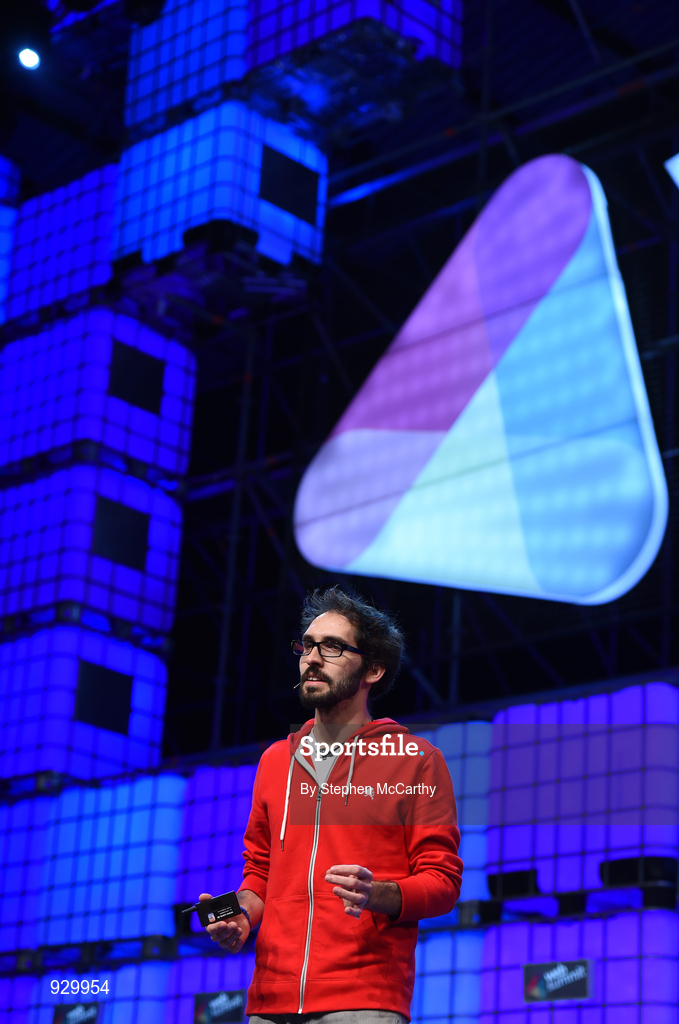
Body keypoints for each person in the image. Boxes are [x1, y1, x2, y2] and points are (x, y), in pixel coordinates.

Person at [199, 586, 462, 1024]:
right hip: (269, 1002)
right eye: (307, 645)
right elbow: (259, 873)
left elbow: (442, 881)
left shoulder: (416, 760)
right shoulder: (274, 761)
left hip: (362, 1000)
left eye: (333, 647)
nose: (312, 658)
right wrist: (242, 915)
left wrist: (377, 893)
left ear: (373, 669)